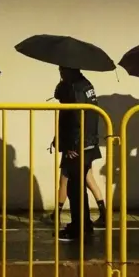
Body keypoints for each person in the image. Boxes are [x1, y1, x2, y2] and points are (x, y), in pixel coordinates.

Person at [49, 80, 106, 227]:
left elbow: (70, 127)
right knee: (88, 178)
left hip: (75, 147)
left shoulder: (71, 106)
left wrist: (69, 146)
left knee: (65, 180)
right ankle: (103, 212)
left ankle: (58, 214)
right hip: (88, 144)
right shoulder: (86, 91)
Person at [55, 66, 101, 242]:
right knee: (79, 185)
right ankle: (84, 224)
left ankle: (78, 227)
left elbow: (77, 117)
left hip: (78, 145)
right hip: (85, 143)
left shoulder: (76, 88)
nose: (60, 73)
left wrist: (74, 145)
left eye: (62, 70)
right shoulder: (86, 86)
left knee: (75, 188)